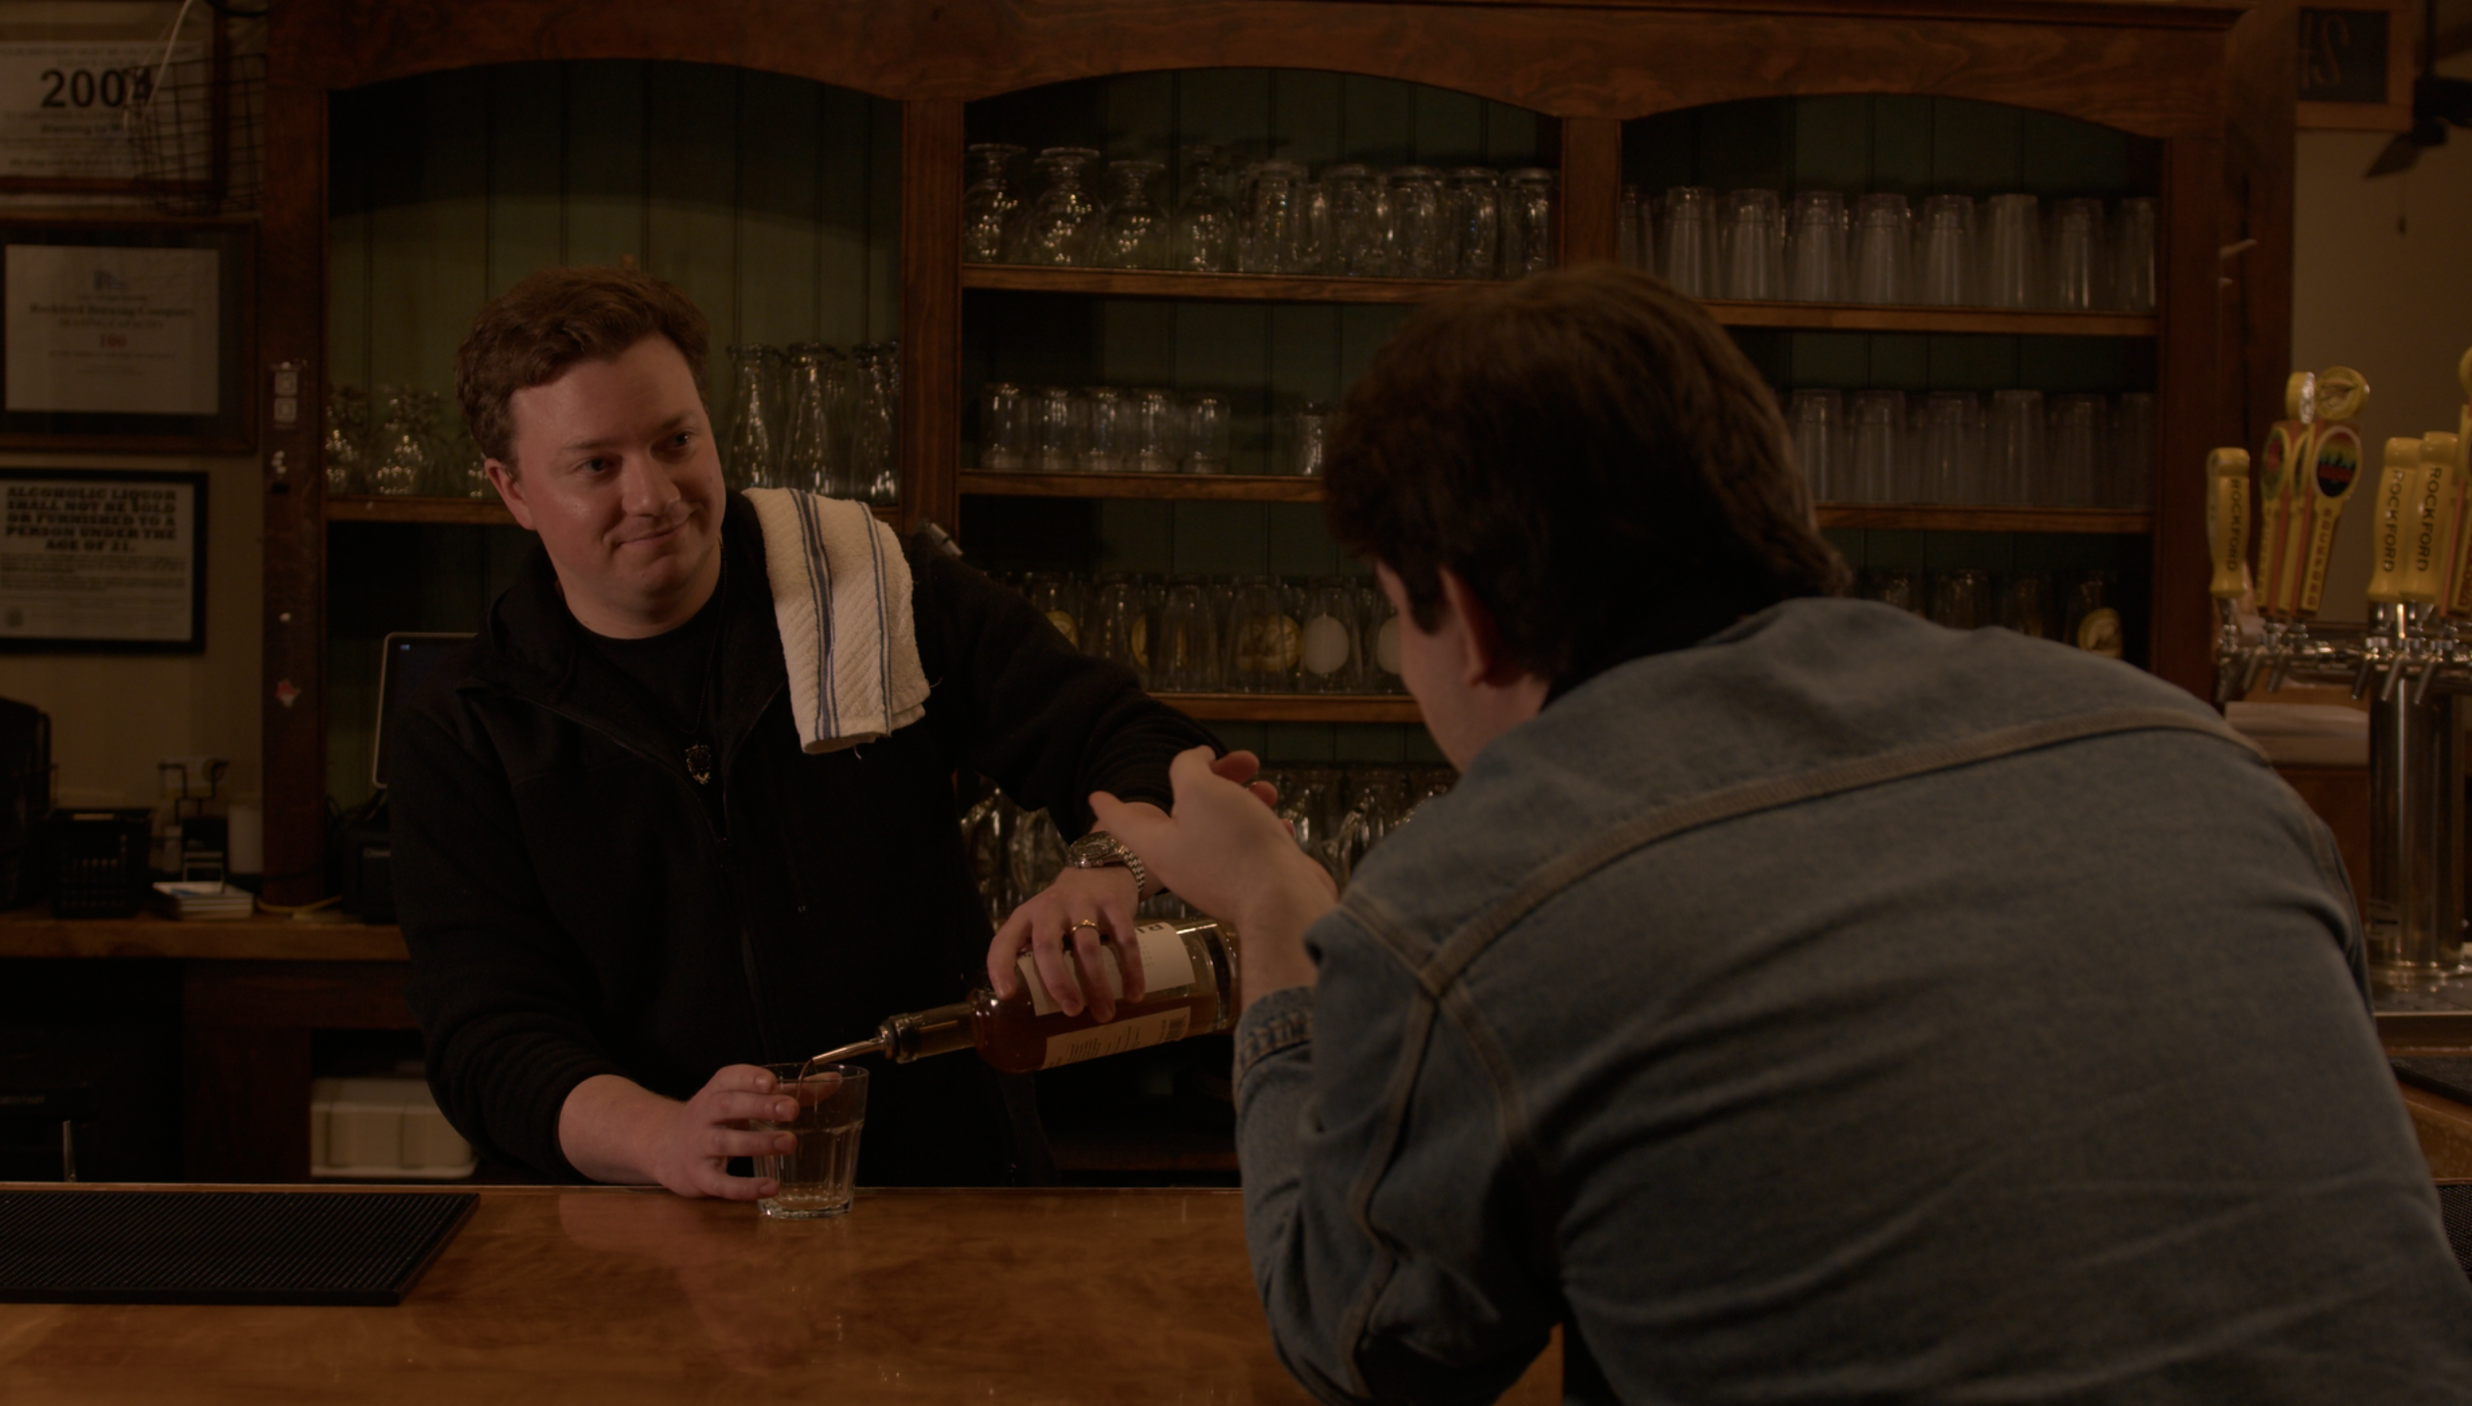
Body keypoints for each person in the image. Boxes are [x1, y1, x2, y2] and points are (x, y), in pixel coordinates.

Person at [1092, 265, 2472, 1403]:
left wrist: (1274, 912)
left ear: (1474, 614)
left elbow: (1363, 1344)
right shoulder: (2190, 754)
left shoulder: (1470, 902)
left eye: (1396, 615)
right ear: (1787, 514)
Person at [392, 265, 1216, 1198]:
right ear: (511, 489)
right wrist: (666, 1138)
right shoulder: (465, 728)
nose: (655, 494)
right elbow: (486, 1038)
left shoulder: (870, 588)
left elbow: (1130, 732)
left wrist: (1109, 866)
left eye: (677, 440)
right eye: (596, 465)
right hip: (641, 1230)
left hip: (937, 1192)